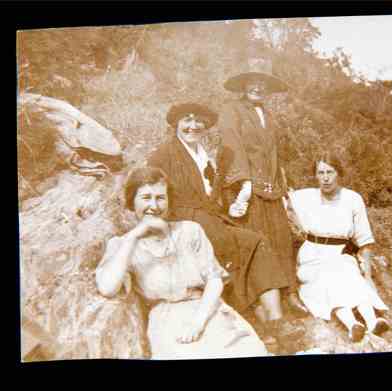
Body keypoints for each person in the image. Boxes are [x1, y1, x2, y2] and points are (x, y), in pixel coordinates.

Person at [146, 103, 303, 350]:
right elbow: (152, 194)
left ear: (206, 127)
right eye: (187, 121)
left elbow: (210, 197)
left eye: (198, 122)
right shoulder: (163, 154)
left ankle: (276, 322)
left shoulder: (203, 154)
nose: (193, 126)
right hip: (184, 224)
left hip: (210, 219)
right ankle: (260, 327)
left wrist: (228, 210)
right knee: (227, 249)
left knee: (257, 241)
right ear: (176, 123)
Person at [95, 167, 268, 359]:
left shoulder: (189, 231)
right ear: (131, 201)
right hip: (168, 320)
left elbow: (214, 280)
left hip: (207, 309)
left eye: (161, 197)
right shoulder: (121, 245)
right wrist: (133, 236)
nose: (154, 205)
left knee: (250, 351)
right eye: (146, 197)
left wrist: (198, 321)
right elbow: (107, 288)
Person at [218, 58, 308, 314]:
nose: (257, 87)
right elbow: (232, 145)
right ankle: (259, 302)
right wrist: (244, 185)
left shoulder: (269, 115)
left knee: (280, 240)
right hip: (246, 189)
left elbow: (276, 154)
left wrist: (283, 187)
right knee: (257, 243)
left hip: (272, 188)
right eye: (252, 81)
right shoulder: (231, 110)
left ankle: (290, 292)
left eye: (262, 82)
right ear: (244, 84)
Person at [286, 152, 390, 342]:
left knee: (350, 274)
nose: (325, 178)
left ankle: (372, 321)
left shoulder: (352, 199)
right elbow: (283, 196)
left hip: (340, 253)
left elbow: (365, 241)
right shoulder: (305, 197)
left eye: (330, 172)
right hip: (312, 255)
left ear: (339, 173)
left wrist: (368, 276)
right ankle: (352, 324)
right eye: (320, 172)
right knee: (327, 277)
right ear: (316, 175)